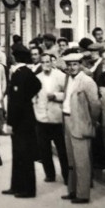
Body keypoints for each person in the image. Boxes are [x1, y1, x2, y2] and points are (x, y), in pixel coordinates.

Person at [60, 52, 101, 203]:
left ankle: (82, 194)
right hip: (67, 120)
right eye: (69, 65)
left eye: (75, 64)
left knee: (82, 161)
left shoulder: (87, 81)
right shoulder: (67, 79)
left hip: (81, 123)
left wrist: (90, 121)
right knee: (71, 160)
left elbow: (95, 105)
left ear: (80, 65)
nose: (72, 68)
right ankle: (72, 190)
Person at [1, 45, 41, 198]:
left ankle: (27, 189)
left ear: (17, 57)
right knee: (18, 154)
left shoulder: (21, 73)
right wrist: (27, 98)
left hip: (21, 121)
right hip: (23, 120)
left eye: (12, 54)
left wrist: (10, 123)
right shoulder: (22, 73)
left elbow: (16, 102)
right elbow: (36, 85)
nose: (11, 56)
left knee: (24, 155)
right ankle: (17, 186)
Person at [33, 49, 69, 183]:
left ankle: (67, 176)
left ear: (52, 62)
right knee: (44, 149)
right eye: (43, 62)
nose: (45, 64)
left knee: (62, 150)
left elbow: (68, 94)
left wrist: (56, 96)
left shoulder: (60, 76)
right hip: (42, 118)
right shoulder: (37, 78)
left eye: (48, 62)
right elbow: (33, 97)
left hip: (57, 119)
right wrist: (36, 111)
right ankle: (50, 174)